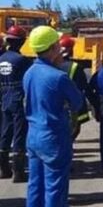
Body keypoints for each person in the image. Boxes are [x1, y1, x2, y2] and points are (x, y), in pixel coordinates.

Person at [24, 26, 83, 207]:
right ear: (52, 49)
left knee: (35, 185)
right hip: (53, 137)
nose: (60, 47)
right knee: (55, 189)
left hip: (33, 135)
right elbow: (78, 103)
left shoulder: (29, 72)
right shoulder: (59, 77)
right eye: (57, 44)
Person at [0, 26, 31, 182]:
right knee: (19, 134)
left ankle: (3, 169)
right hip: (18, 98)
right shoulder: (22, 60)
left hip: (4, 96)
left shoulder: (1, 58)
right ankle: (18, 173)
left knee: (5, 132)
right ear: (21, 42)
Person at [59, 35, 98, 140]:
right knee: (71, 133)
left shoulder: (50, 65)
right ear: (70, 49)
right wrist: (95, 105)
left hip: (54, 105)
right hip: (71, 108)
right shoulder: (75, 67)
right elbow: (84, 88)